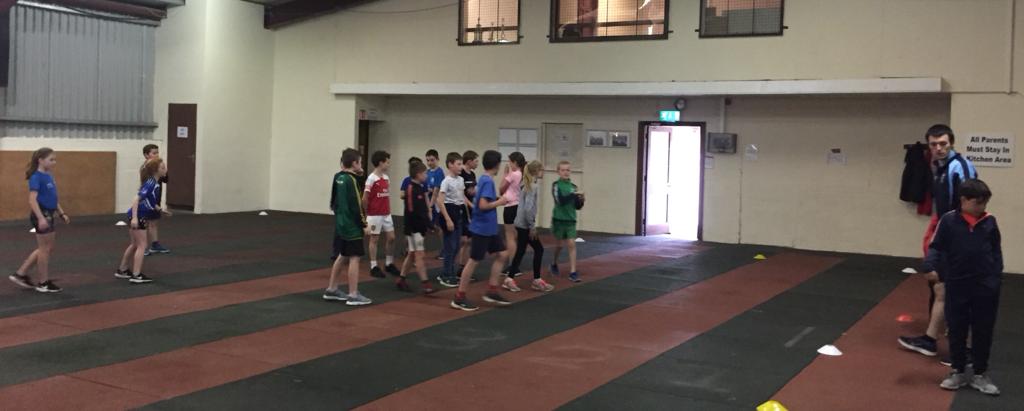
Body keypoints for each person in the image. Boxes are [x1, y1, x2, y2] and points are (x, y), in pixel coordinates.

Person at [899, 124, 978, 361]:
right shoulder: (939, 167)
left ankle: (963, 349)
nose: (938, 148)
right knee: (941, 289)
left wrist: (961, 239)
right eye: (934, 144)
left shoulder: (960, 166)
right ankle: (931, 340)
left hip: (960, 240)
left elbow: (971, 206)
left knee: (956, 293)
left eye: (943, 143)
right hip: (947, 236)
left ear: (951, 142)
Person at [925, 179, 1002, 396]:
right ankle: (957, 371)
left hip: (985, 287)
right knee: (957, 329)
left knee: (983, 330)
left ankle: (980, 373)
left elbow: (996, 252)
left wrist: (995, 278)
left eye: (984, 203)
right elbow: (936, 247)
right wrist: (930, 265)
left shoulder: (990, 222)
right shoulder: (949, 221)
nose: (981, 207)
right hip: (957, 284)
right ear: (964, 200)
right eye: (977, 203)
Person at [451, 150, 511, 311]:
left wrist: (496, 200)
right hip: (482, 228)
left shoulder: (484, 179)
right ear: (497, 165)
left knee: (503, 254)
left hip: (489, 228)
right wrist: (501, 202)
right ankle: (459, 297)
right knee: (473, 261)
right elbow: (483, 205)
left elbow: (481, 198)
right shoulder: (488, 181)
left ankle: (492, 290)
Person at [9, 148, 69, 293]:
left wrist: (61, 213)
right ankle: (43, 283)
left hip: (49, 213)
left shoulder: (49, 176)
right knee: (44, 249)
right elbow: (32, 200)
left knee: (47, 248)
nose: (54, 162)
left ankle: (21, 273)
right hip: (42, 214)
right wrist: (41, 218)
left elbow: (53, 197)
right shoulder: (36, 177)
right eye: (51, 159)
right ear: (41, 160)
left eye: (55, 159)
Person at [323, 148, 372, 306]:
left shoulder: (338, 177)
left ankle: (332, 289)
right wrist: (364, 224)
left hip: (341, 223)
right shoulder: (352, 180)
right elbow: (357, 205)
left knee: (342, 254)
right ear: (355, 163)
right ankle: (353, 294)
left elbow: (333, 202)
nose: (361, 165)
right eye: (360, 162)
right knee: (354, 258)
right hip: (352, 226)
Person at [115, 157, 171, 284]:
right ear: (156, 170)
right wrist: (135, 218)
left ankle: (122, 270)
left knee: (134, 244)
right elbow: (136, 199)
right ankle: (136, 275)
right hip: (138, 216)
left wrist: (160, 209)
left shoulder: (154, 183)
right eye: (163, 168)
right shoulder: (151, 183)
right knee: (142, 245)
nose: (165, 170)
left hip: (137, 215)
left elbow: (150, 201)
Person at [507, 161, 554, 293]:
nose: (543, 172)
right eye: (542, 170)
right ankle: (536, 280)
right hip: (525, 225)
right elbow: (528, 209)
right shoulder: (532, 186)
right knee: (539, 249)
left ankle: (509, 279)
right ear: (536, 171)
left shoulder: (526, 184)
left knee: (521, 251)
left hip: (521, 223)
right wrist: (532, 226)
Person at [395, 161, 437, 295]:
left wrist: (427, 225)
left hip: (419, 228)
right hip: (414, 229)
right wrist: (429, 225)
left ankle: (401, 279)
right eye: (424, 173)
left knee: (412, 254)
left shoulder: (420, 188)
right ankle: (425, 283)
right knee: (419, 255)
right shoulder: (411, 189)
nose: (426, 175)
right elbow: (412, 212)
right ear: (418, 174)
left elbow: (423, 210)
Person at [364, 151, 400, 278]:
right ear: (380, 163)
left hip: (386, 213)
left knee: (392, 238)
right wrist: (366, 214)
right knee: (374, 239)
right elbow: (365, 198)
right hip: (374, 214)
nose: (388, 164)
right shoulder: (371, 178)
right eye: (387, 162)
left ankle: (389, 263)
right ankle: (373, 266)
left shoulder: (386, 178)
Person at [550, 161, 584, 283]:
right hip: (558, 220)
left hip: (571, 220)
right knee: (559, 246)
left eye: (568, 170)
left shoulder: (574, 187)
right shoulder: (555, 185)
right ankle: (554, 263)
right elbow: (561, 201)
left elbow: (578, 206)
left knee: (571, 244)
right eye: (563, 170)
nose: (565, 172)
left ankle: (573, 272)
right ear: (558, 172)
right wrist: (574, 195)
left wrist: (581, 199)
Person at [437, 152, 466, 287]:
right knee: (450, 246)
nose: (461, 167)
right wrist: (448, 219)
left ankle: (449, 271)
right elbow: (440, 201)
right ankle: (446, 274)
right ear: (450, 165)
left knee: (457, 246)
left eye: (461, 164)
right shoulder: (446, 181)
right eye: (458, 164)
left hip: (458, 212)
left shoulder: (461, 180)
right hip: (448, 212)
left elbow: (462, 198)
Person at [500, 152, 526, 279]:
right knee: (515, 236)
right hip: (519, 206)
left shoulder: (513, 174)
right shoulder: (523, 174)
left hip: (510, 206)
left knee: (510, 237)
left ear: (515, 162)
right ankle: (515, 265)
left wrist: (505, 174)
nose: (509, 164)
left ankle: (513, 266)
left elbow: (501, 189)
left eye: (510, 162)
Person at [141, 145, 171, 256]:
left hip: (156, 198)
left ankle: (155, 244)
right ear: (146, 155)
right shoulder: (146, 168)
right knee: (144, 224)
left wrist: (164, 169)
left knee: (153, 222)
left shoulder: (158, 167)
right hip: (148, 199)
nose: (156, 155)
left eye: (157, 153)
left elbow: (166, 180)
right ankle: (142, 246)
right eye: (154, 153)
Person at [457, 150, 479, 276]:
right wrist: (471, 205)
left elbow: (473, 191)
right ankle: (460, 267)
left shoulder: (473, 174)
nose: (477, 163)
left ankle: (464, 267)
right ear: (469, 161)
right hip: (463, 209)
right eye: (476, 161)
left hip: (472, 209)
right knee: (464, 240)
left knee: (469, 240)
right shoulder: (461, 174)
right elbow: (461, 194)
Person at [425, 149, 446, 249]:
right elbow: (425, 187)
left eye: (432, 160)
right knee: (427, 226)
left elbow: (436, 192)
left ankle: (445, 249)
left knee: (439, 227)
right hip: (427, 201)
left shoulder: (439, 172)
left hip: (436, 203)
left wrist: (430, 206)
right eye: (428, 160)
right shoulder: (427, 172)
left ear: (437, 159)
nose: (429, 163)